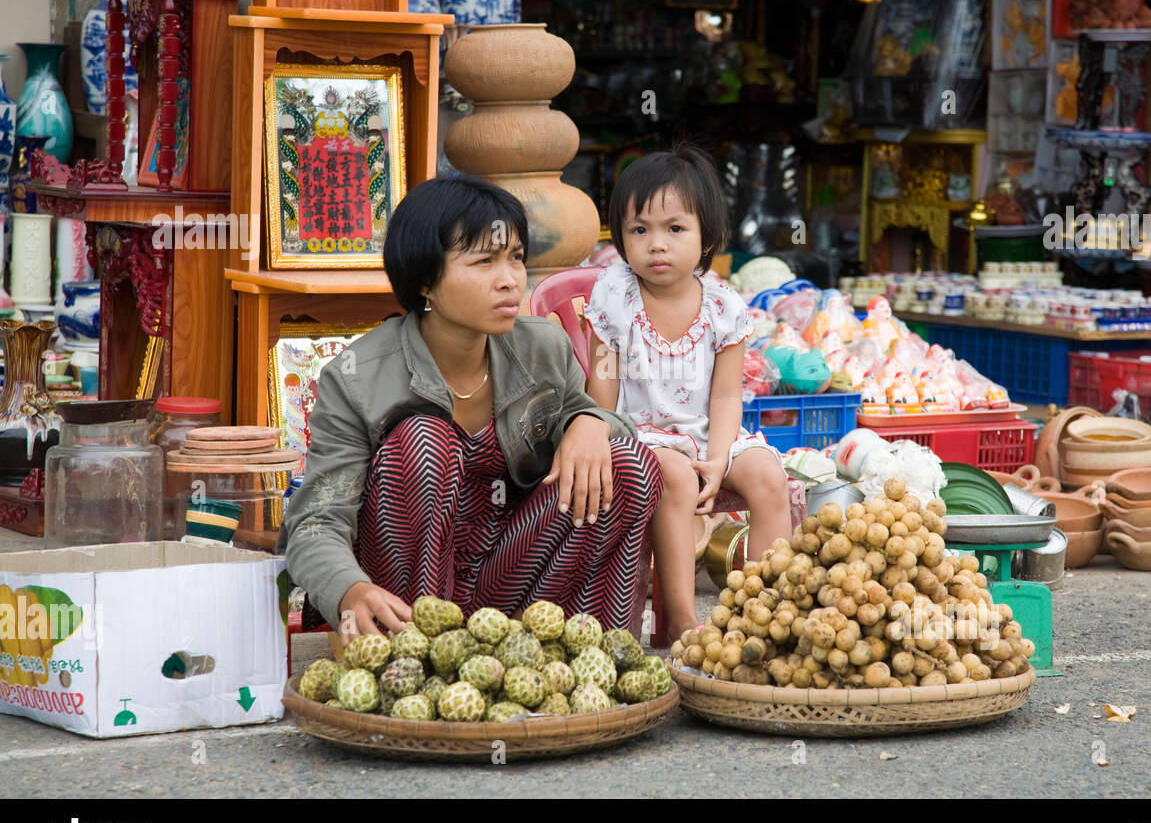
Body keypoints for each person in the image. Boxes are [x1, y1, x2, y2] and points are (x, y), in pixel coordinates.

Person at [283, 176, 663, 643]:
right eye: (484, 261)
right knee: (422, 439)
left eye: (516, 258)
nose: (510, 279)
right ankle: (424, 659)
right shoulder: (356, 378)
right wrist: (350, 589)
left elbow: (600, 421)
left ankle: (590, 654)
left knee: (630, 464)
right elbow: (316, 521)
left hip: (514, 571)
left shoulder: (543, 346)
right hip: (406, 598)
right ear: (426, 280)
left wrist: (590, 422)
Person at [584, 143, 790, 641]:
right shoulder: (615, 293)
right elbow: (603, 378)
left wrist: (720, 458)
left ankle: (764, 612)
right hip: (640, 434)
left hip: (707, 432)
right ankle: (676, 616)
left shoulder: (722, 304)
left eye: (674, 229)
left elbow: (724, 397)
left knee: (768, 476)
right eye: (639, 230)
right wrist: (599, 438)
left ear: (706, 238)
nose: (657, 244)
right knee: (673, 477)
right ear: (620, 238)